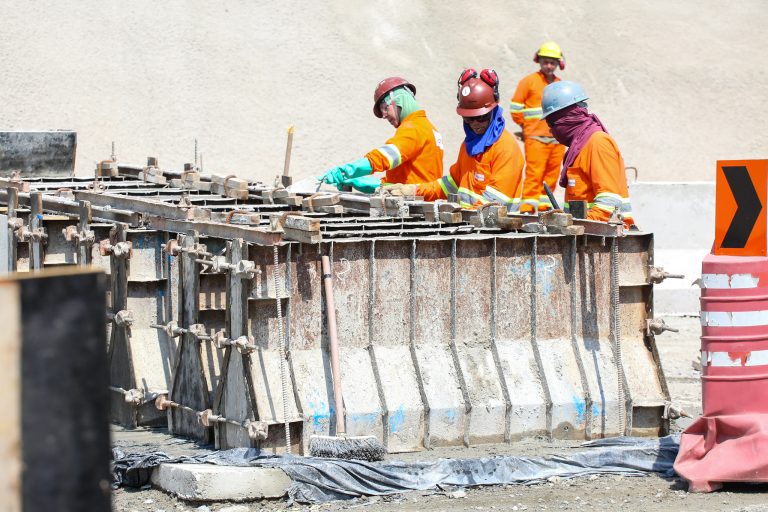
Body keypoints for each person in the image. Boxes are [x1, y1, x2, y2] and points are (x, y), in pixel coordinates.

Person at [386, 69, 524, 209]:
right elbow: (450, 184)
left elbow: (494, 203)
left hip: (494, 223)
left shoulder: (506, 148)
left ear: (493, 111)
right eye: (469, 118)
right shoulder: (469, 146)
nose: (475, 124)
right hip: (472, 222)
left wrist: (462, 215)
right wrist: (414, 190)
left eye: (481, 117)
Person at [318, 77, 444, 193]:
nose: (384, 115)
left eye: (385, 108)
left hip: (414, 204)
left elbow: (385, 156)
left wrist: (348, 171)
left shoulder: (413, 127)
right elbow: (406, 180)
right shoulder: (428, 128)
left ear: (399, 99)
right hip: (420, 200)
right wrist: (371, 184)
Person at [540, 80, 634, 228]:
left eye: (553, 124)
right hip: (587, 235)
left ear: (568, 118)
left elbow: (609, 204)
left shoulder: (598, 143)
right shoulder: (578, 148)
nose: (552, 131)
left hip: (607, 237)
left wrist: (574, 225)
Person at [509, 41, 567, 213]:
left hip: (556, 139)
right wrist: (526, 126)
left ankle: (545, 208)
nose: (549, 66)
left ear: (558, 64)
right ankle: (527, 209)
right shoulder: (528, 82)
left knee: (552, 176)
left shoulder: (560, 84)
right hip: (535, 138)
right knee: (534, 175)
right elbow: (515, 108)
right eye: (545, 62)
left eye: (552, 62)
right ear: (539, 61)